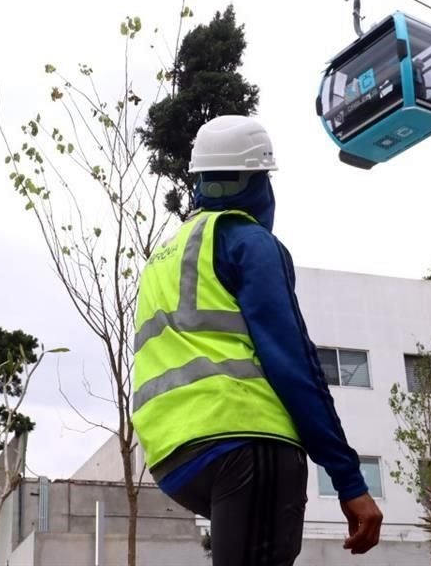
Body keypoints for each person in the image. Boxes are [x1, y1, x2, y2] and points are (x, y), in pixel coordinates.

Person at [132, 115, 383, 566]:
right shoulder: (249, 242)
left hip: (174, 459)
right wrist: (349, 480)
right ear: (259, 182)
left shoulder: (162, 258)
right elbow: (293, 363)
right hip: (246, 442)